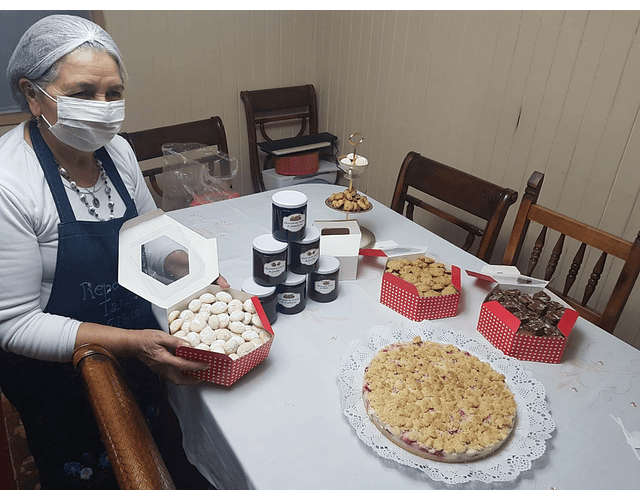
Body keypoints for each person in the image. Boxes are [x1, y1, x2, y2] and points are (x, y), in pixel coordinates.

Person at [0, 14, 227, 489]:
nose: (102, 108)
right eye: (82, 93)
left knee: (152, 447)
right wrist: (133, 343)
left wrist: (195, 269)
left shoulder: (118, 152)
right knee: (83, 467)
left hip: (133, 339)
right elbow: (15, 323)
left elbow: (147, 236)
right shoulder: (10, 183)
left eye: (113, 93)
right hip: (56, 372)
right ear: (31, 93)